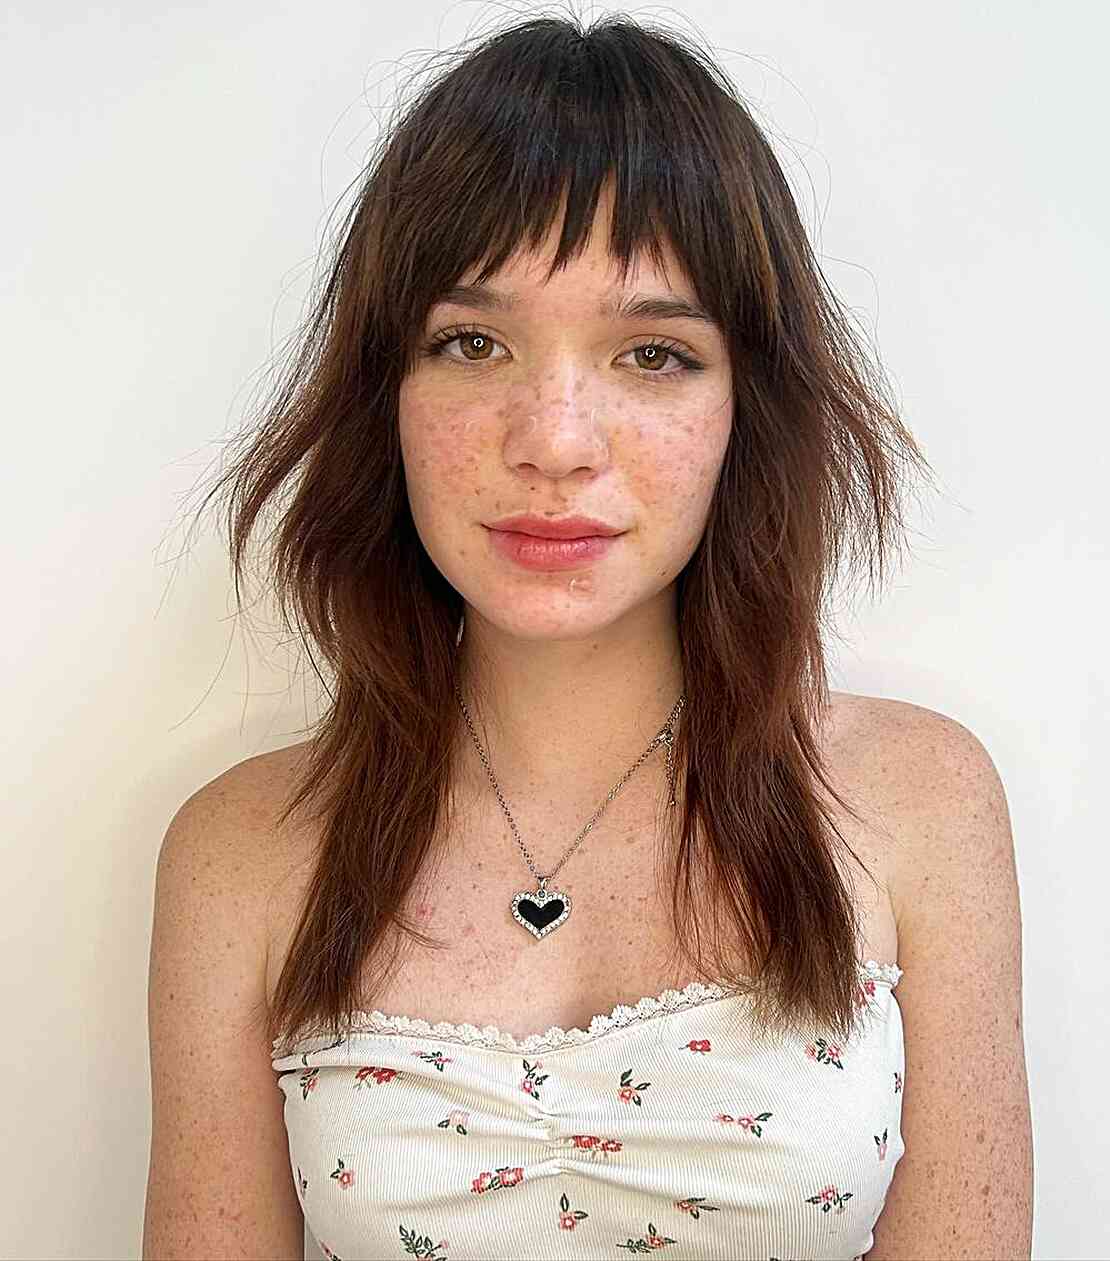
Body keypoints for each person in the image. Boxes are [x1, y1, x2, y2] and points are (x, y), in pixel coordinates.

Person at [142, 12, 1032, 1261]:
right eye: (473, 343)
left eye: (653, 354)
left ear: (747, 408)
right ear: (384, 396)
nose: (555, 441)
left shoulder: (918, 803)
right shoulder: (242, 853)